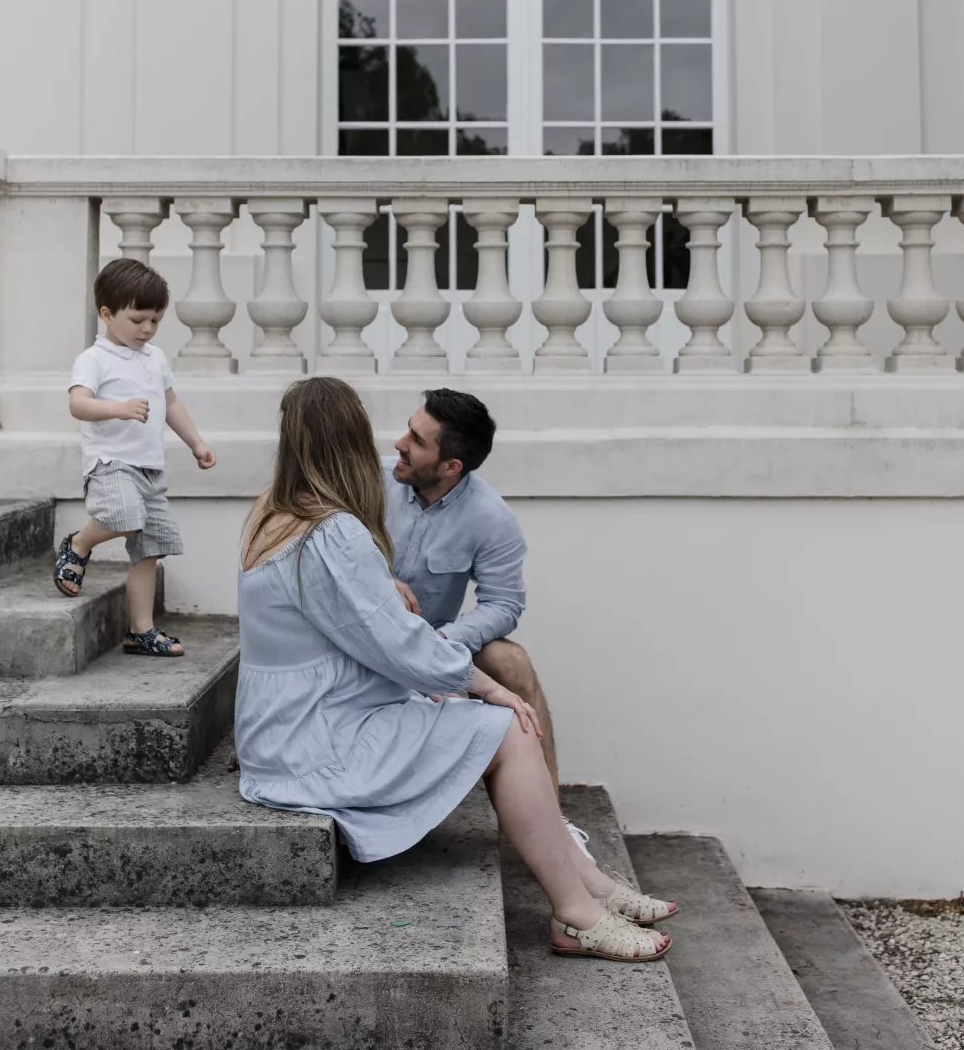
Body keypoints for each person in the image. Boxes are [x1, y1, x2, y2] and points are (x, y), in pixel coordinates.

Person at [234, 376, 677, 961]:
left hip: (283, 726)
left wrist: (388, 598)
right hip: (315, 739)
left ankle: (589, 884)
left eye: (415, 438)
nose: (394, 444)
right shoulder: (336, 531)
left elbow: (356, 608)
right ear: (349, 441)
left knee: (494, 683)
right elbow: (397, 642)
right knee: (510, 729)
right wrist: (486, 688)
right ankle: (574, 915)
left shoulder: (273, 512)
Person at [385, 388, 593, 853]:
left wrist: (443, 639)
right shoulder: (368, 480)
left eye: (416, 440)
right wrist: (378, 585)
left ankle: (550, 826)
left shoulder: (490, 517)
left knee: (511, 661)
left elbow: (503, 604)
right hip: (357, 641)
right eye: (408, 428)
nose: (399, 443)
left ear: (450, 466)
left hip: (428, 651)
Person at [53, 258, 215, 658]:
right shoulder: (95, 358)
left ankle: (141, 631)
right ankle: (79, 543)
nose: (147, 329)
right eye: (138, 319)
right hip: (110, 461)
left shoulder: (154, 358)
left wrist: (196, 442)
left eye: (155, 321)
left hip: (149, 468)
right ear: (107, 314)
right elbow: (78, 403)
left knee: (150, 548)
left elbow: (171, 403)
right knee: (121, 517)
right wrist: (118, 408)